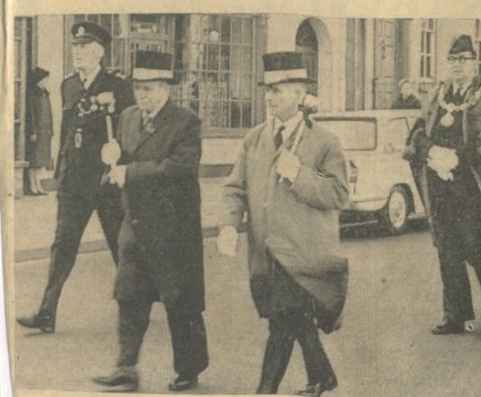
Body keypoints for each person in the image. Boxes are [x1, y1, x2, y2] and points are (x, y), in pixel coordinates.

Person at [220, 51, 349, 396]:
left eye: (278, 90)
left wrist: (299, 174)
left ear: (298, 94)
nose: (270, 97)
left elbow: (338, 194)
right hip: (266, 252)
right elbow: (235, 188)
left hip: (302, 252)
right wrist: (230, 224)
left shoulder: (324, 142)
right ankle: (322, 377)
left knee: (282, 321)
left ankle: (266, 390)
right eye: (268, 90)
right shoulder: (255, 138)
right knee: (294, 318)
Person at [91, 50, 208, 393]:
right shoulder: (127, 117)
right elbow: (122, 162)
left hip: (173, 228)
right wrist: (112, 160)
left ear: (167, 88)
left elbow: (180, 168)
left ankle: (189, 369)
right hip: (136, 224)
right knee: (129, 295)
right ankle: (126, 368)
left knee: (179, 301)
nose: (143, 94)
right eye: (139, 87)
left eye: (151, 88)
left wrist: (130, 171)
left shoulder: (185, 122)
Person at [17, 21, 135, 334]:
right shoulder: (68, 85)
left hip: (105, 181)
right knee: (63, 245)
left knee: (119, 245)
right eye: (75, 47)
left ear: (99, 52)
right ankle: (46, 312)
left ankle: (137, 301)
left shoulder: (118, 85)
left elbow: (130, 130)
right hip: (74, 183)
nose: (77, 53)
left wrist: (121, 159)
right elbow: (68, 131)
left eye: (84, 48)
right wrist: (61, 172)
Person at [403, 34, 481, 336]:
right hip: (438, 184)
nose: (458, 66)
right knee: (446, 246)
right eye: (453, 60)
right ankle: (455, 314)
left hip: (472, 185)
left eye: (464, 60)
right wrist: (430, 150)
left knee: (473, 243)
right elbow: (418, 129)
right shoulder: (437, 94)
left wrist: (458, 157)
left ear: (474, 62)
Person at [24, 67, 54, 195]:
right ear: (39, 81)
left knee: (41, 161)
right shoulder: (33, 94)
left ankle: (38, 185)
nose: (46, 82)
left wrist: (51, 130)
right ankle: (32, 185)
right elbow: (31, 115)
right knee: (34, 160)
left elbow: (49, 114)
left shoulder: (45, 93)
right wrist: (33, 131)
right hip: (37, 132)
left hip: (45, 132)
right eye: (44, 80)